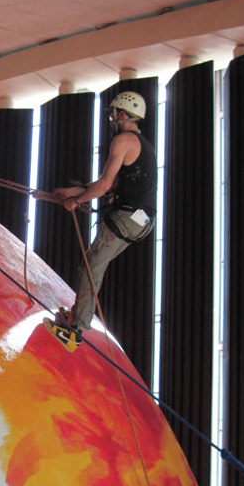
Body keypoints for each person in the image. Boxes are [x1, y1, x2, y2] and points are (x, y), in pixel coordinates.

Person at [44, 91, 157, 352]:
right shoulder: (141, 144)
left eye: (113, 114)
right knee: (94, 265)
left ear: (123, 114)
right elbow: (107, 183)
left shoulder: (123, 140)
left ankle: (75, 331)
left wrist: (77, 201)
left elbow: (105, 186)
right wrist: (73, 192)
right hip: (140, 221)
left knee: (90, 266)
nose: (111, 119)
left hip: (126, 216)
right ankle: (77, 318)